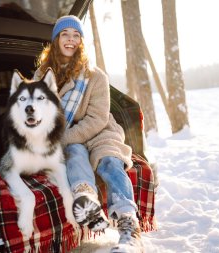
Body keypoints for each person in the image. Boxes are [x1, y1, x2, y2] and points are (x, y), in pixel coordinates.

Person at [34, 15, 144, 252]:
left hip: (100, 132)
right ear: (56, 40)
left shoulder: (95, 76)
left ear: (81, 42)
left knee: (110, 163)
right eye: (65, 34)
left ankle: (129, 229)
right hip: (65, 135)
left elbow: (97, 119)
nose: (71, 40)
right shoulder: (42, 75)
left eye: (76, 36)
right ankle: (87, 201)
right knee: (74, 152)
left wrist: (61, 138)